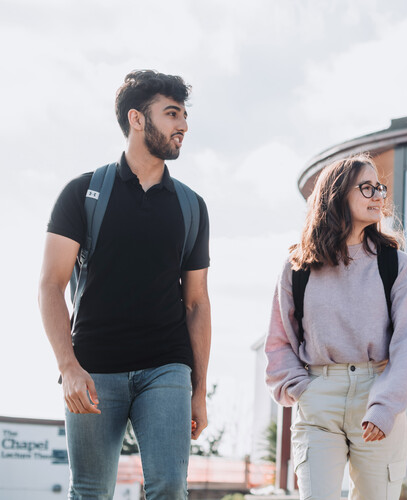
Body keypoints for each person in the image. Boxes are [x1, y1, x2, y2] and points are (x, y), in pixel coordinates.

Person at [38, 70, 211, 499]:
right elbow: (50, 284)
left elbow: (196, 305)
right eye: (172, 114)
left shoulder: (191, 206)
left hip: (166, 367)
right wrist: (68, 367)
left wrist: (199, 390)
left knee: (170, 486)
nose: (183, 126)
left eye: (185, 115)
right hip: (95, 368)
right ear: (137, 119)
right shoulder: (82, 194)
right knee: (92, 490)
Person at [265, 154, 407, 500]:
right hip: (318, 394)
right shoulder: (298, 267)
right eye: (367, 188)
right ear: (336, 194)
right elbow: (279, 341)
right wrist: (301, 389)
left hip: (378, 394)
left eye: (379, 188)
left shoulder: (396, 265)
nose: (378, 196)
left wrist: (384, 406)